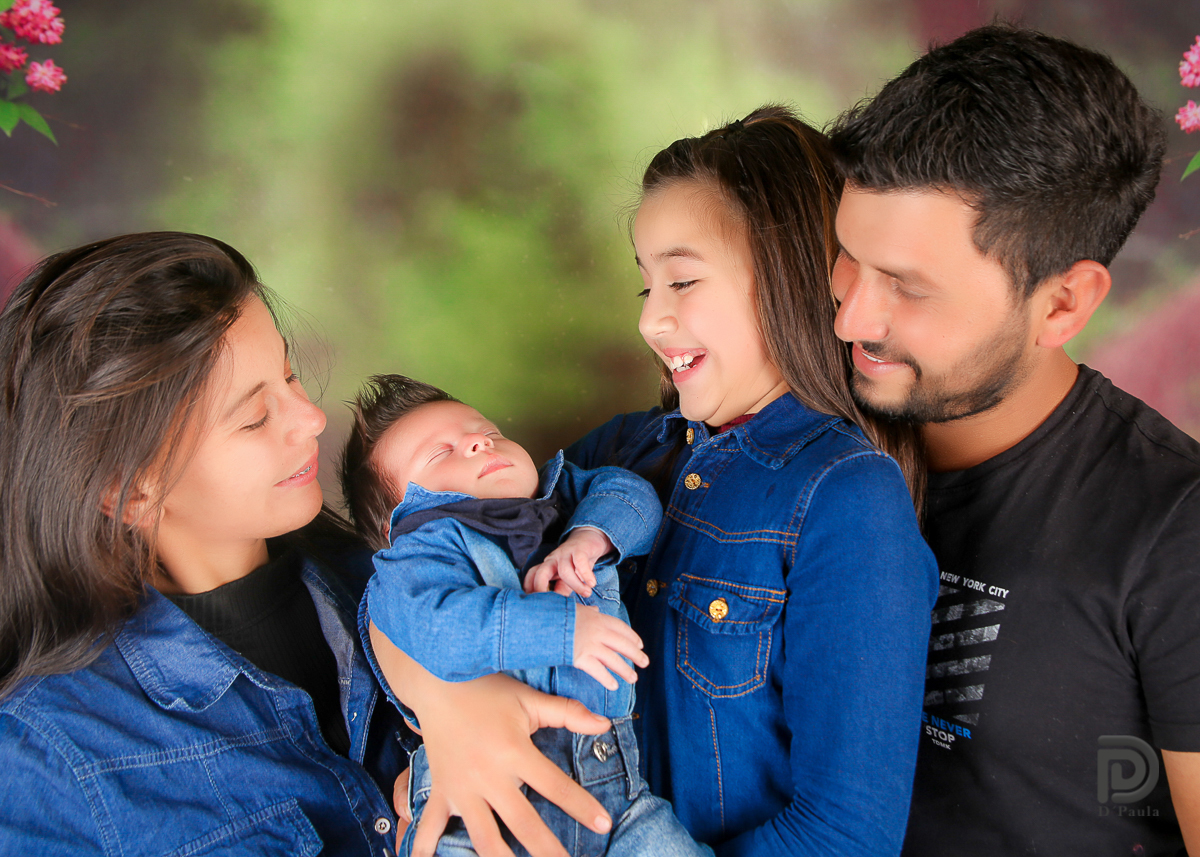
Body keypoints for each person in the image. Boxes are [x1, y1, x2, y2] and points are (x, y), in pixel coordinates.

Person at [368, 105, 940, 857]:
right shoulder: (621, 452)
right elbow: (402, 568)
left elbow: (845, 834)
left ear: (787, 278)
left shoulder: (846, 497)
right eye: (646, 288)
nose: (649, 322)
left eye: (681, 280)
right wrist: (448, 704)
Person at [826, 24, 1200, 856]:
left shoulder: (1174, 532)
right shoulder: (801, 425)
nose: (852, 315)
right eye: (847, 256)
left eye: (908, 287)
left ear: (1063, 305)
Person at [0, 232, 419, 856]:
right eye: (254, 418)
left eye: (290, 375)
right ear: (128, 492)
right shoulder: (46, 759)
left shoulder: (411, 571)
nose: (311, 418)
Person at [340, 374, 712, 857]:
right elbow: (442, 630)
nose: (479, 442)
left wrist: (589, 537)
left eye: (488, 432)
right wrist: (563, 629)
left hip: (614, 790)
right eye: (441, 453)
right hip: (475, 815)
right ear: (402, 516)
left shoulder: (564, 496)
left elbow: (633, 495)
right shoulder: (417, 557)